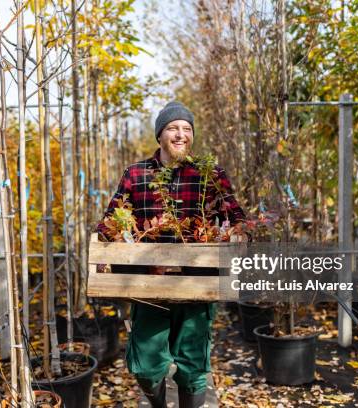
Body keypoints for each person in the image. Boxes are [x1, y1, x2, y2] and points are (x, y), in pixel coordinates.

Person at [97, 101, 246, 407]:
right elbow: (111, 219)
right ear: (160, 135)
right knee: (146, 364)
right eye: (173, 128)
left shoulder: (209, 174)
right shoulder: (137, 174)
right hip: (149, 287)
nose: (181, 135)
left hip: (197, 284)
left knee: (193, 364)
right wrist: (107, 240)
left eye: (187, 129)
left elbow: (235, 214)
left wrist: (239, 232)